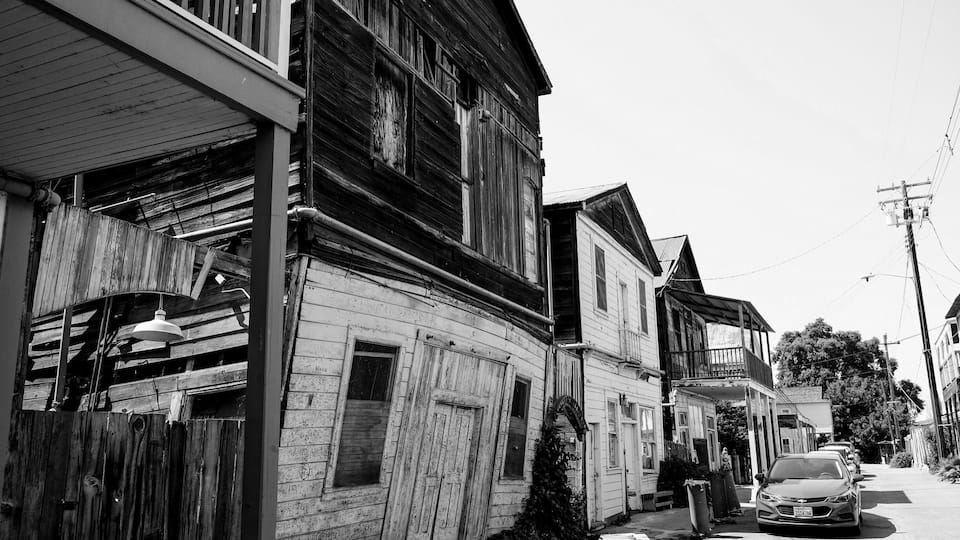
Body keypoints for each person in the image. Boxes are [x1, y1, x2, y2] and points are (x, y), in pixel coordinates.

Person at [719, 448, 742, 515]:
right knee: (731, 492)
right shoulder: (725, 465)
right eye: (724, 454)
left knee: (731, 492)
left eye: (726, 453)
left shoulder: (726, 464)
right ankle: (733, 508)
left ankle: (733, 508)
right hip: (727, 478)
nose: (725, 456)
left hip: (728, 477)